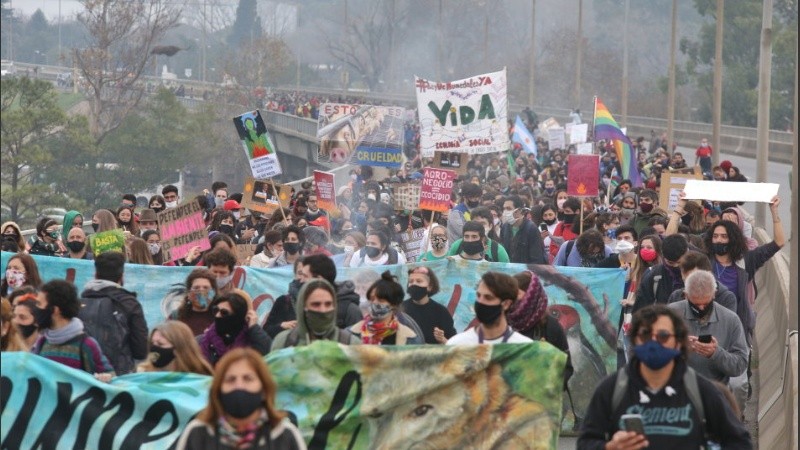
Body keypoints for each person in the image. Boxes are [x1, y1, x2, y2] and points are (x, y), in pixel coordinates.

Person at [577, 304, 752, 449]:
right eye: (645, 335)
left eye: (663, 336)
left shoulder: (702, 391)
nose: (653, 342)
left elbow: (739, 442)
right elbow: (586, 442)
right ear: (635, 340)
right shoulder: (610, 390)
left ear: (678, 342)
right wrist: (609, 447)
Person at [176, 348, 306, 450]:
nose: (239, 386)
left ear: (264, 390)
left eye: (248, 379)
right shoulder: (198, 433)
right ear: (218, 390)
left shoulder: (285, 435)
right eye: (230, 380)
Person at [704, 196, 784, 344]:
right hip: (706, 326)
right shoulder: (703, 260)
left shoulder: (747, 260)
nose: (719, 240)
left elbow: (778, 242)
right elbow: (671, 245)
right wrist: (678, 210)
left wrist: (774, 212)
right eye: (715, 236)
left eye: (724, 236)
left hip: (736, 328)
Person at [667, 271, 748, 389]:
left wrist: (715, 353)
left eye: (705, 303)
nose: (701, 308)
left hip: (714, 394)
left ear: (714, 294)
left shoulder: (731, 320)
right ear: (686, 295)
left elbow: (740, 365)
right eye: (695, 304)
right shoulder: (669, 315)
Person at [79, 251, 148, 375]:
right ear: (121, 276)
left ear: (95, 275)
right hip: (121, 376)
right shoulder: (130, 304)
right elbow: (141, 350)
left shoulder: (78, 304)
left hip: (86, 378)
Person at [32, 280, 115, 377]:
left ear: (55, 310)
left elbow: (110, 376)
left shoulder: (86, 345)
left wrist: (105, 377)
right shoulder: (42, 342)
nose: (35, 308)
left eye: (39, 304)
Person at [271, 278, 360, 349]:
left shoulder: (351, 344)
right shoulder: (283, 342)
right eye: (316, 304)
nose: (323, 310)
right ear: (304, 307)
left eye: (328, 304)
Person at [447, 272, 533, 344]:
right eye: (478, 295)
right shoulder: (457, 344)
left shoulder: (522, 347)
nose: (480, 302)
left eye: (488, 298)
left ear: (506, 304)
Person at [198, 291, 271, 366]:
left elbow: (267, 350)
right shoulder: (203, 340)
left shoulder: (251, 341)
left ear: (237, 316)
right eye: (216, 310)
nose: (217, 315)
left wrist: (253, 327)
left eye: (224, 312)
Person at [349, 271, 422, 345]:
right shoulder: (351, 333)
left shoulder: (410, 338)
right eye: (372, 299)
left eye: (381, 300)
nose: (375, 303)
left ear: (394, 304)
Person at [633, 234, 689, 313]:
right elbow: (640, 310)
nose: (676, 266)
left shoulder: (697, 271)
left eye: (679, 262)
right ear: (663, 255)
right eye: (671, 263)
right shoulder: (653, 275)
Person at [401, 266, 456, 344]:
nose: (414, 284)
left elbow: (453, 344)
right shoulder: (400, 309)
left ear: (430, 286)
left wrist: (442, 339)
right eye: (411, 281)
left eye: (419, 281)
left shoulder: (441, 312)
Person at [137, 321, 214, 375]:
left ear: (179, 348)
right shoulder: (143, 375)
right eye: (152, 343)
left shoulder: (202, 378)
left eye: (160, 344)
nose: (153, 348)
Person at [500, 195, 548, 264]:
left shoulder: (531, 229)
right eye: (504, 208)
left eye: (508, 209)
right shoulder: (505, 227)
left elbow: (537, 258)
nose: (505, 212)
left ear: (519, 211)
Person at [174, 269, 218, 336]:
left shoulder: (221, 316)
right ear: (188, 293)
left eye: (206, 288)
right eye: (196, 288)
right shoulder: (176, 316)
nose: (201, 292)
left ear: (214, 292)